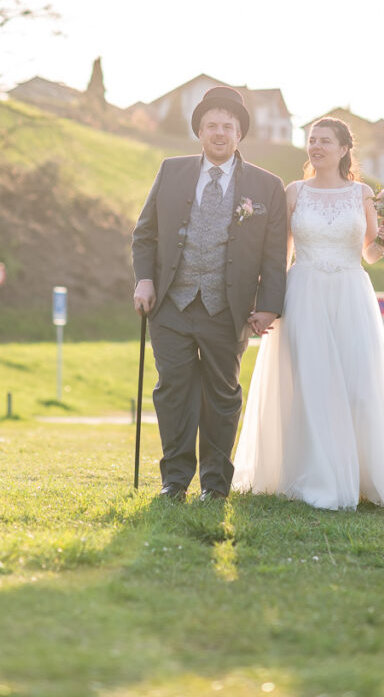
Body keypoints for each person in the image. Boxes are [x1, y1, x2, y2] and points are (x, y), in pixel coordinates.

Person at [233, 116, 384, 510]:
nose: (316, 147)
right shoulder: (294, 192)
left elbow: (369, 253)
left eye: (325, 140)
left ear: (344, 149)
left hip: (350, 294)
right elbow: (281, 255)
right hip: (304, 292)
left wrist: (383, 241)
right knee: (311, 383)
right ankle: (316, 475)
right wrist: (267, 302)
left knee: (359, 386)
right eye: (312, 140)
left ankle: (363, 474)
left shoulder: (362, 194)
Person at [132, 86, 287, 502]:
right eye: (212, 126)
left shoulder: (267, 185)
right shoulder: (171, 171)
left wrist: (269, 306)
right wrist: (144, 280)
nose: (219, 133)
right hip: (171, 304)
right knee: (173, 391)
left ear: (240, 134)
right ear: (199, 132)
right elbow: (145, 234)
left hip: (228, 308)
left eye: (228, 127)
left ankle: (215, 485)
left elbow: (274, 254)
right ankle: (175, 481)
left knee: (222, 395)